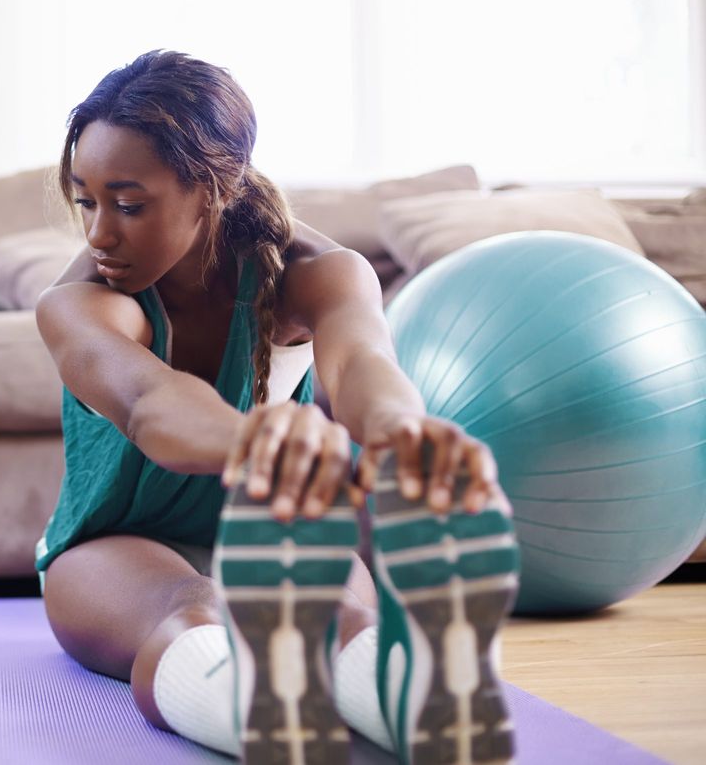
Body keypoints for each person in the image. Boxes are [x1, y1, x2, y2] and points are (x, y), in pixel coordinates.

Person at [33, 49, 518, 763]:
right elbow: (149, 403)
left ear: (212, 190)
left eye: (129, 205)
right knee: (195, 610)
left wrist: (405, 436)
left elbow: (360, 366)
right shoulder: (79, 303)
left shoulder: (317, 273)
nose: (99, 233)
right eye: (87, 200)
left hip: (276, 525)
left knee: (346, 618)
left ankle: (429, 710)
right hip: (113, 546)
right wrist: (261, 443)